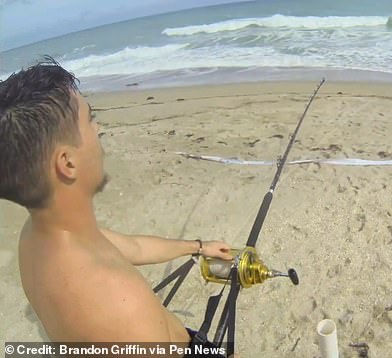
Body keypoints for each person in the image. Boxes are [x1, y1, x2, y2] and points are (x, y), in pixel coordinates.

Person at [0, 59, 234, 349]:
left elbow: (131, 247)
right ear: (68, 163)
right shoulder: (121, 306)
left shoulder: (40, 235)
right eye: (88, 120)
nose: (97, 129)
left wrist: (198, 247)